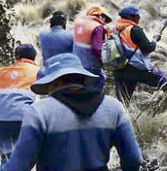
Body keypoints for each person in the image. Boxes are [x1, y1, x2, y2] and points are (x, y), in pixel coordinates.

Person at [2, 53, 142, 171]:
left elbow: (19, 166)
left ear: (53, 83)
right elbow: (133, 159)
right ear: (82, 79)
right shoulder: (113, 107)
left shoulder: (39, 112)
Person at [112, 5, 167, 105]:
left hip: (118, 69)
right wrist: (155, 40)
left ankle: (120, 118)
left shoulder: (113, 30)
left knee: (123, 101)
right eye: (137, 15)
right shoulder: (135, 30)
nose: (139, 17)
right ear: (131, 17)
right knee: (161, 79)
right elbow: (148, 48)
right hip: (136, 68)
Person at [0, 45, 39, 164]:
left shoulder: (2, 70)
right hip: (23, 117)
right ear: (34, 57)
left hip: (1, 117)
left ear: (16, 57)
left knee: (6, 156)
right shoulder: (38, 71)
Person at [72, 6, 112, 90]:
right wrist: (104, 62)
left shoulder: (78, 23)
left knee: (79, 88)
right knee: (96, 86)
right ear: (101, 16)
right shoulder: (98, 27)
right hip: (91, 65)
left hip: (76, 64)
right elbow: (97, 49)